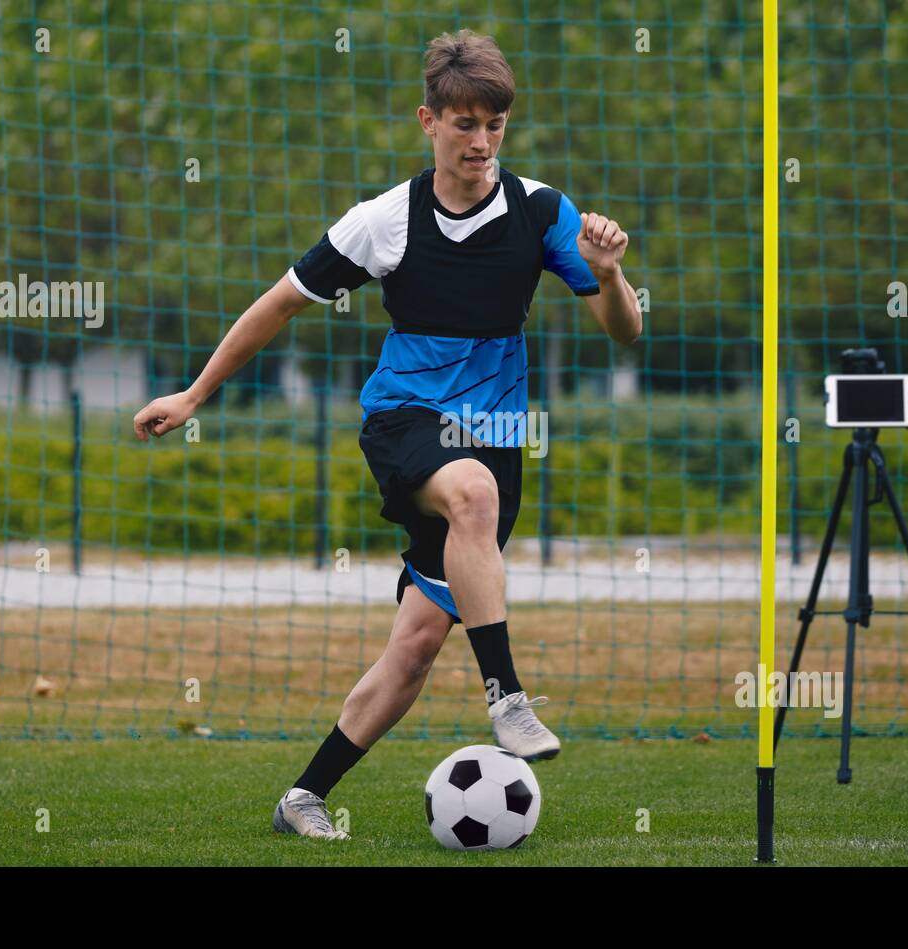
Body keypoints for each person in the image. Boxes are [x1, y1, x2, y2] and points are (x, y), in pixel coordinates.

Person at [133, 29, 642, 841]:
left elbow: (625, 333)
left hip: (497, 432)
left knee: (415, 643)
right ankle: (506, 695)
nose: (482, 142)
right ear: (429, 120)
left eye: (496, 125)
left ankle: (304, 795)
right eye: (465, 123)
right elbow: (281, 302)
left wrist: (609, 274)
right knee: (469, 492)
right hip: (406, 422)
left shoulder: (545, 211)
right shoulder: (386, 221)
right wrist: (196, 393)